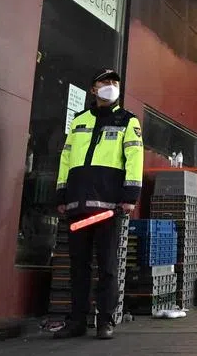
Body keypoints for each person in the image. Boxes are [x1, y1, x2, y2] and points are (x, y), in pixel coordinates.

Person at [54, 69, 143, 340]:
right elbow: (66, 158)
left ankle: (105, 321)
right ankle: (77, 321)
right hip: (78, 205)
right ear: (93, 89)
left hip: (109, 207)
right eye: (105, 82)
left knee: (106, 266)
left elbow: (134, 157)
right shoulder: (79, 121)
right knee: (78, 267)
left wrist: (130, 196)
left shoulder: (128, 121)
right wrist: (61, 195)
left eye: (115, 82)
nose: (111, 86)